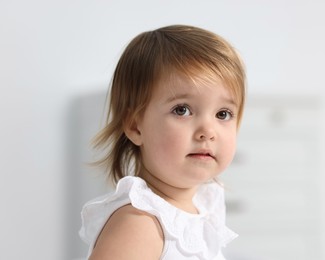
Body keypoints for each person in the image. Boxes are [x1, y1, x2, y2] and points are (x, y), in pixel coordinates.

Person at [79, 24, 246, 260]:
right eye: (182, 110)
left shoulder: (202, 208)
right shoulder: (139, 224)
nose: (208, 131)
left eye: (223, 114)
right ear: (136, 126)